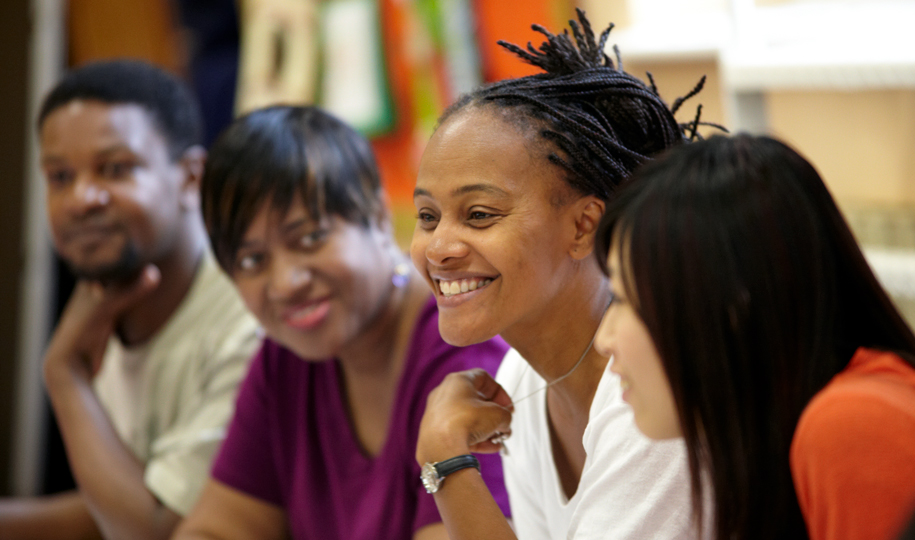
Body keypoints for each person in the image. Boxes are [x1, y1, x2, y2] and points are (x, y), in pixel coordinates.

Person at [411, 9, 713, 540]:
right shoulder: (518, 382)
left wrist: (446, 464)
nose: (438, 247)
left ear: (583, 226)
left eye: (479, 214)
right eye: (428, 216)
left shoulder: (653, 393)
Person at [173, 105, 510, 540]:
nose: (286, 283)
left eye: (310, 239)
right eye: (252, 260)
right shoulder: (282, 361)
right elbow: (215, 529)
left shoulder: (465, 351)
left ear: (374, 214)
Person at [593, 134, 915, 540]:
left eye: (622, 298)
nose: (604, 338)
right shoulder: (771, 442)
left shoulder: (854, 427)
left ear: (732, 306)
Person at [0, 60, 260, 540]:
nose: (82, 198)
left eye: (115, 168)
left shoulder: (251, 320)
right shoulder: (110, 295)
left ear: (189, 178)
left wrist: (64, 373)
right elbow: (120, 499)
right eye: (59, 177)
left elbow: (156, 528)